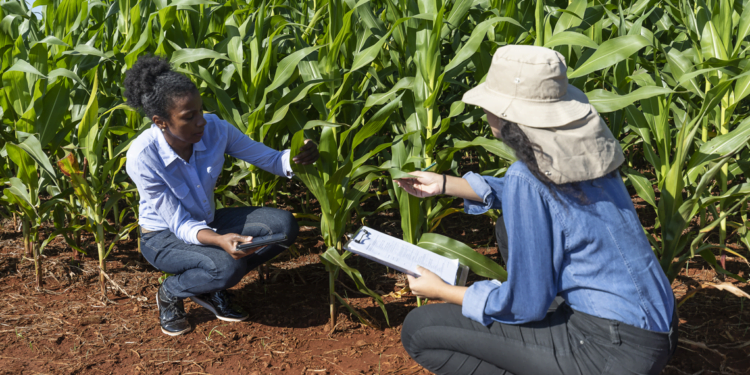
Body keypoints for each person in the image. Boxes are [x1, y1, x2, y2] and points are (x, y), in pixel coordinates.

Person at [395, 45, 677, 375]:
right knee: (506, 229)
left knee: (420, 331)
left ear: (504, 115)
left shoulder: (525, 178)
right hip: (655, 330)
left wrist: (441, 290)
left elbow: (524, 305)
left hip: (608, 351)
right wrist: (446, 184)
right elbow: (548, 200)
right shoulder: (589, 150)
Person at [124, 55, 319, 336]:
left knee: (283, 228)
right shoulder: (143, 156)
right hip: (163, 237)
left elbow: (273, 160)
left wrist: (299, 154)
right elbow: (179, 224)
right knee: (226, 267)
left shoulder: (215, 129)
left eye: (200, 111)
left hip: (208, 221)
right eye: (189, 117)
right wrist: (218, 240)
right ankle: (172, 291)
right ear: (161, 121)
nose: (201, 122)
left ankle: (210, 286)